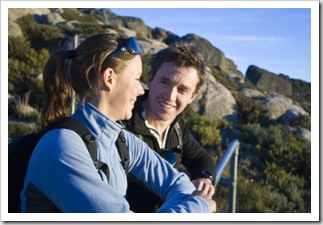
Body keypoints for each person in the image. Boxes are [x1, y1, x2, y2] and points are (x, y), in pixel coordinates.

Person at [20, 33, 216, 213]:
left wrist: (189, 204)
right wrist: (199, 206)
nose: (141, 90)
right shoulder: (62, 147)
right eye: (137, 79)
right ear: (109, 78)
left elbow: (179, 183)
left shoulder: (121, 140)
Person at [121, 42, 216, 213]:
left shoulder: (177, 125)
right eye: (165, 82)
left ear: (193, 96)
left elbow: (200, 158)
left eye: (182, 89)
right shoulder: (123, 121)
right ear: (150, 78)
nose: (170, 96)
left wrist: (204, 179)